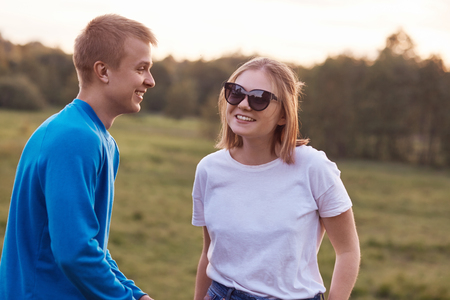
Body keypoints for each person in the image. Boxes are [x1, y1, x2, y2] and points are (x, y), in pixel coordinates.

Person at [0, 14, 157, 300]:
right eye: (141, 68)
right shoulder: (74, 138)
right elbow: (75, 253)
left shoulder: (102, 141)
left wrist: (135, 293)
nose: (150, 81)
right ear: (103, 71)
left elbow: (90, 242)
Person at [192, 57, 360, 300]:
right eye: (236, 93)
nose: (244, 105)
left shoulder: (313, 167)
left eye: (259, 98)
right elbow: (209, 253)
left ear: (283, 115)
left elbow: (348, 251)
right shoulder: (209, 170)